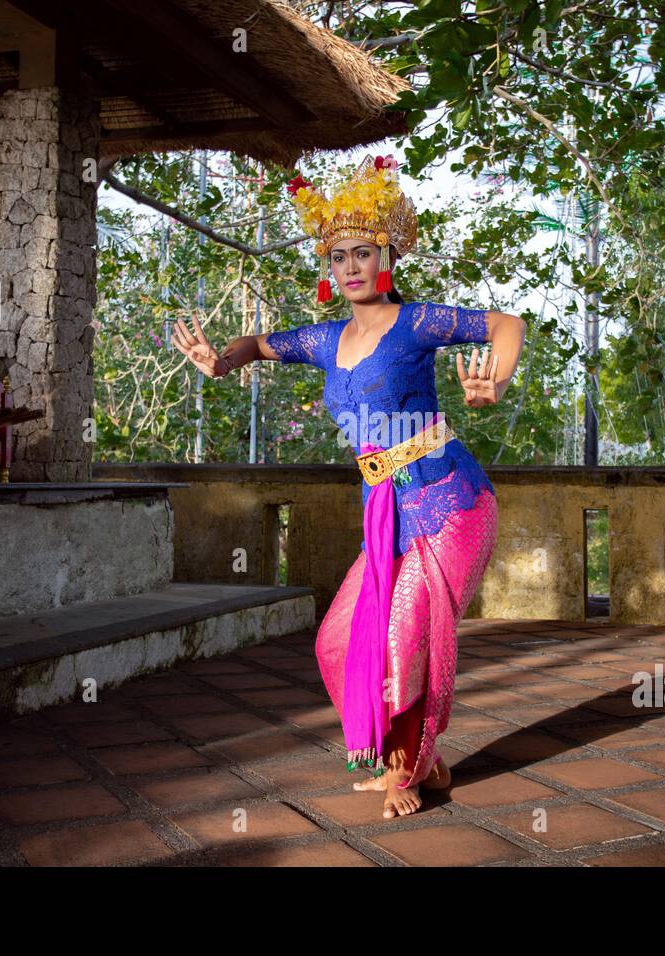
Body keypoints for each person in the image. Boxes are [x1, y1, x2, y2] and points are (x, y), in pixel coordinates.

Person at [171, 154, 527, 819]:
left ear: (386, 255)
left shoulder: (418, 323)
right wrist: (223, 360)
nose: (352, 266)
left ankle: (405, 774)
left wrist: (494, 382)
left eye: (364, 252)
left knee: (401, 644)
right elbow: (257, 343)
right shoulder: (324, 339)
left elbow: (506, 326)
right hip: (384, 514)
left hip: (450, 503)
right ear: (329, 268)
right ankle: (420, 757)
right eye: (340, 256)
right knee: (338, 643)